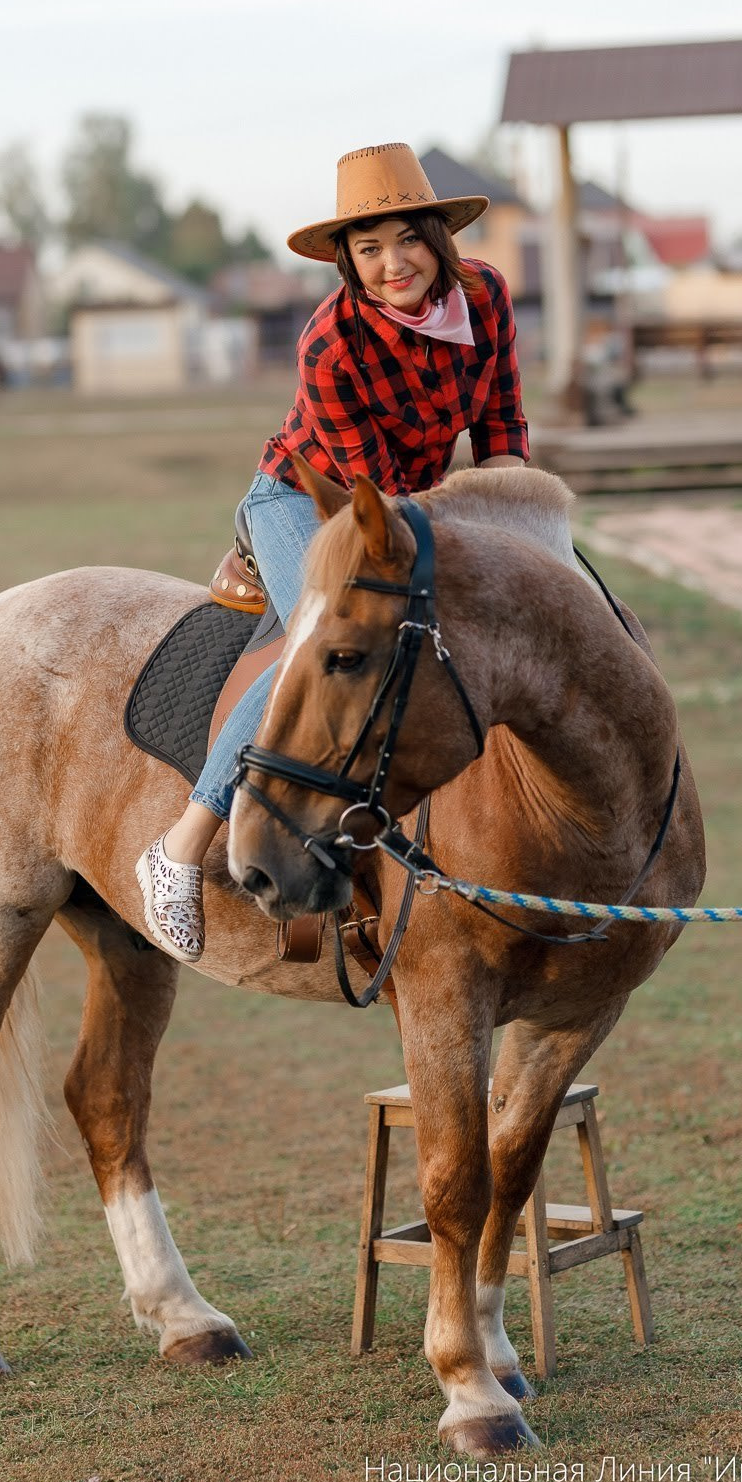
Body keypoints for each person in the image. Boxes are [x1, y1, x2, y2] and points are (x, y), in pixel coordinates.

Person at [136, 142, 529, 963]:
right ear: (347, 261)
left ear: (437, 237)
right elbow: (368, 499)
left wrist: (519, 536)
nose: (394, 264)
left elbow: (500, 429)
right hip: (312, 499)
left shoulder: (486, 295)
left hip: (418, 503)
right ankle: (179, 847)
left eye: (407, 240)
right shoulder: (331, 342)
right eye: (369, 248)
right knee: (326, 646)